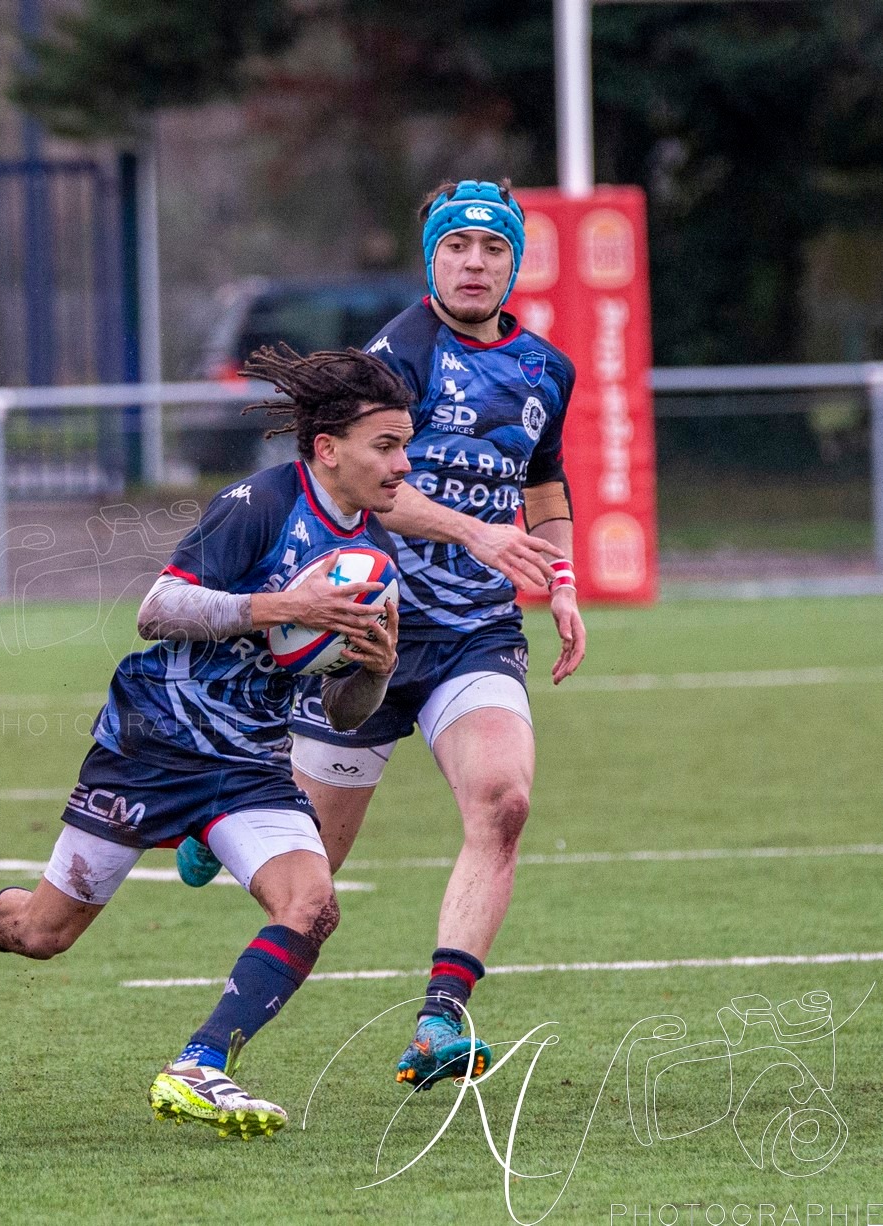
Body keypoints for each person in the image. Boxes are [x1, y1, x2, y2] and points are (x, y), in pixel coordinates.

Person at [0, 344, 412, 1139]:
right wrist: (274, 606)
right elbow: (158, 607)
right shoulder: (260, 505)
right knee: (43, 933)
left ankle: (201, 1065)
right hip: (152, 743)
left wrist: (375, 672)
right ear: (329, 448)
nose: (402, 462)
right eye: (387, 445)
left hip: (250, 762)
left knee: (311, 906)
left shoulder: (376, 558)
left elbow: (343, 712)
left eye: (406, 444)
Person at [184, 180, 587, 1092]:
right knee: (309, 894)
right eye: (457, 248)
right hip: (366, 634)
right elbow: (373, 489)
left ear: (513, 261)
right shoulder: (394, 356)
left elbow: (547, 486)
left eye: (492, 248)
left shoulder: (546, 370)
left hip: (476, 633)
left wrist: (560, 581)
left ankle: (440, 1021)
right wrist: (475, 532)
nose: (474, 263)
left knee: (503, 801)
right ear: (432, 259)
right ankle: (208, 1045)